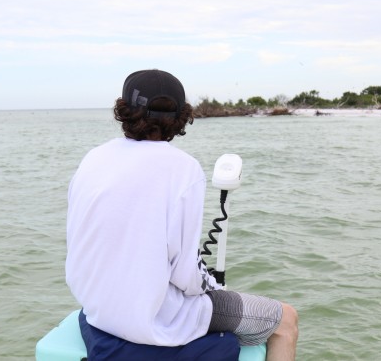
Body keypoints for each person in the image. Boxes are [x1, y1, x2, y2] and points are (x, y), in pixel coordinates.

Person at [65, 69, 298, 360]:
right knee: (285, 320)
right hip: (157, 319)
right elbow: (186, 274)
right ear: (179, 117)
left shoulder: (93, 159)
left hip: (100, 313)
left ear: (124, 111)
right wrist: (212, 284)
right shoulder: (183, 169)